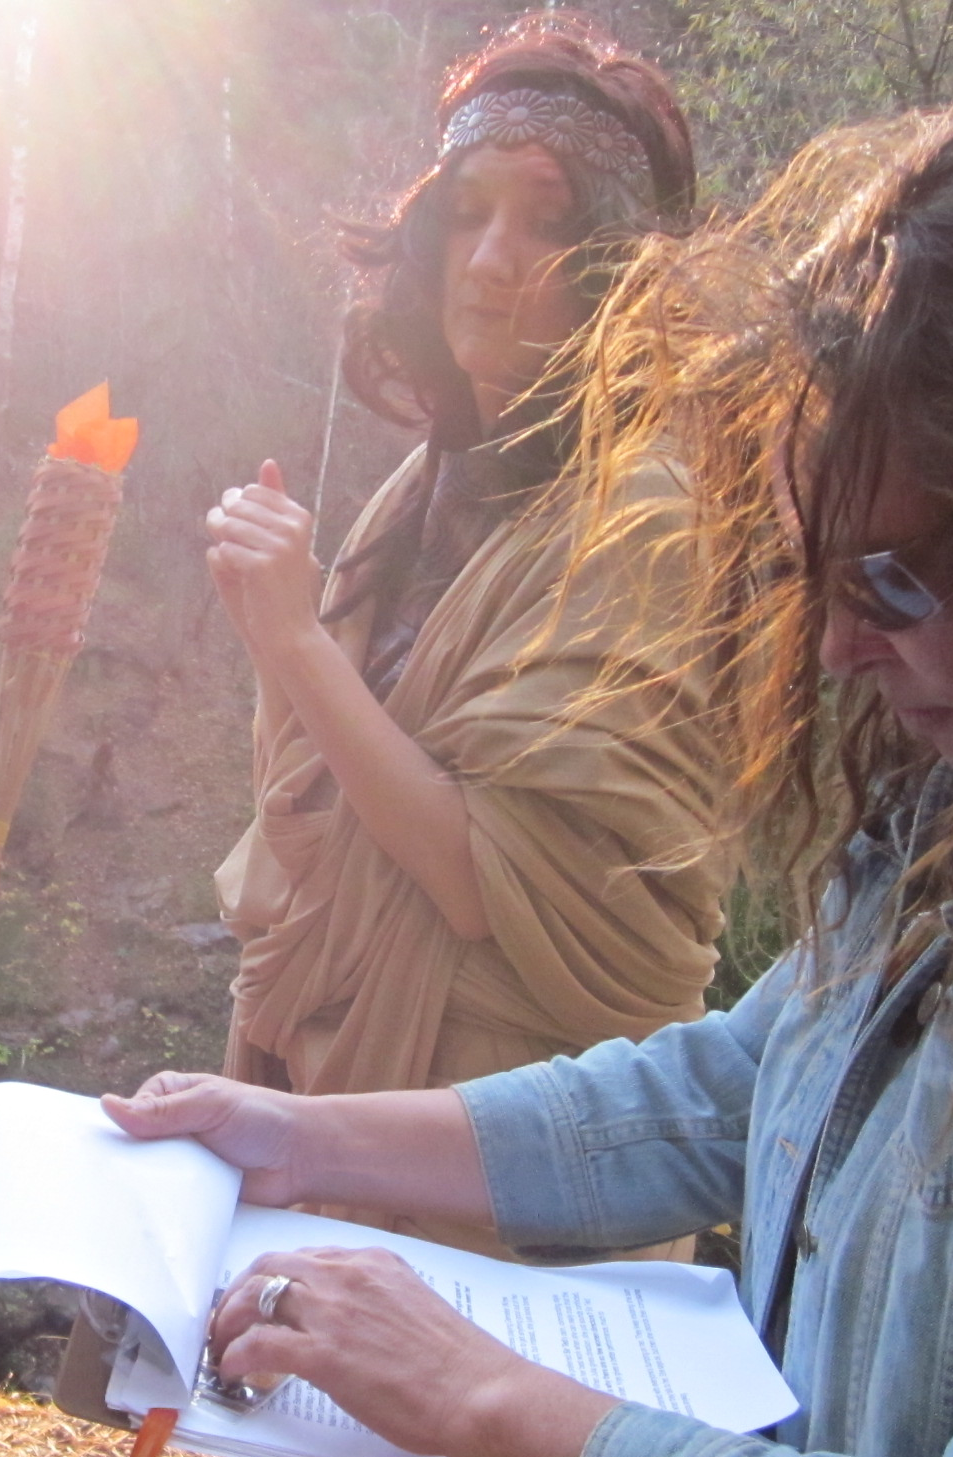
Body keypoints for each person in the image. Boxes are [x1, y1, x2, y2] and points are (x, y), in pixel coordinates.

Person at [114, 103, 953, 1456]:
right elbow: (740, 1079)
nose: (837, 648)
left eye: (890, 578)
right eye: (816, 574)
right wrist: (310, 1136)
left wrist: (483, 1395)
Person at [201, 14, 724, 1254]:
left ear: (622, 268)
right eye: (469, 213)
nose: (492, 261)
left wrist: (297, 643)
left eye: (549, 222)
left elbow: (497, 885)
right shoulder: (422, 490)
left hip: (506, 1174)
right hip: (338, 1115)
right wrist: (289, 639)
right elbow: (319, 815)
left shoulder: (644, 518)